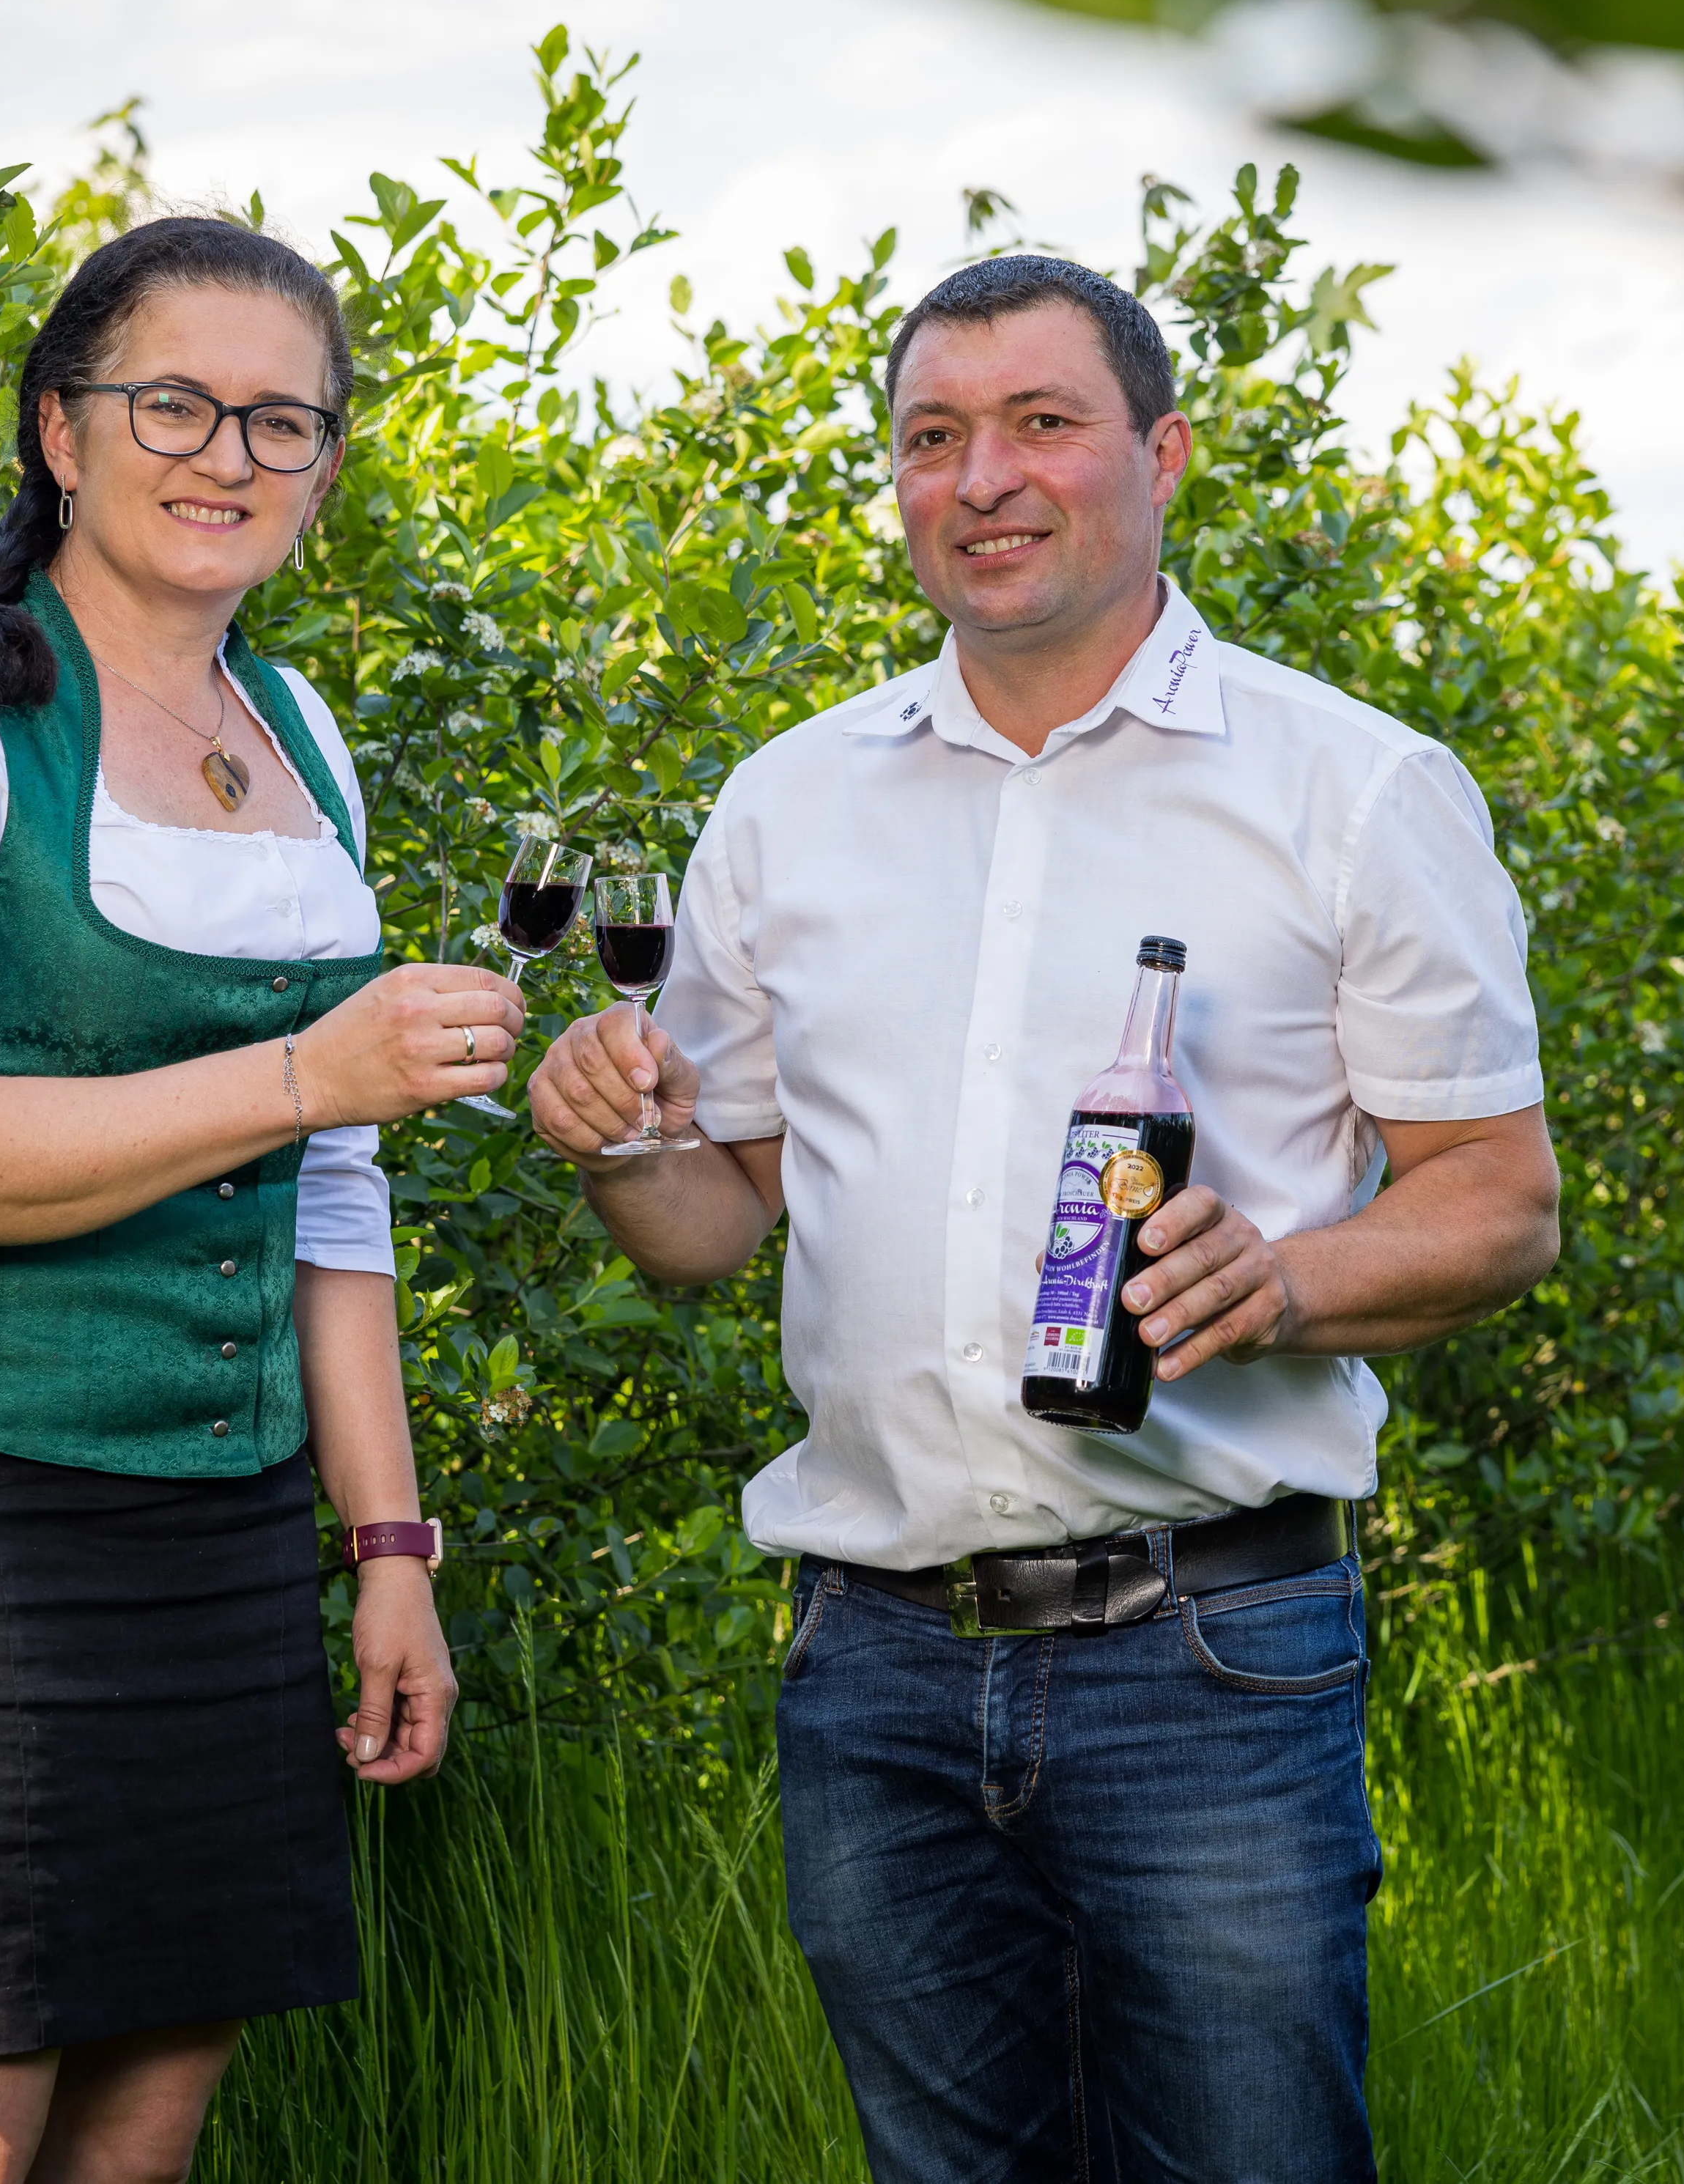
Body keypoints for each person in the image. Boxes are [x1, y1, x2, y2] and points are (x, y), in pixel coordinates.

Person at [528, 253, 1561, 2183]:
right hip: (872, 1658)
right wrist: (612, 1140)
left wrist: (1284, 1272)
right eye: (932, 438)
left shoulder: (1349, 788)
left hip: (1212, 1645)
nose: (978, 477)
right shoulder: (788, 802)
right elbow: (710, 1225)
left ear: (1159, 455)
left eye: (1037, 424)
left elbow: (1500, 1211)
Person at [0, 214, 522, 2184]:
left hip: (221, 1517)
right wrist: (306, 1067)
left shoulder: (304, 739)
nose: (227, 454)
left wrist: (389, 1541)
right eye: (173, 399)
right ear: (58, 429)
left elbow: (326, 1202)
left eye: (282, 421)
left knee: (146, 2122)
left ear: (326, 470)